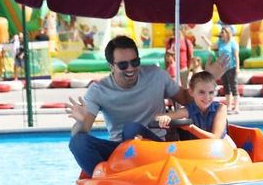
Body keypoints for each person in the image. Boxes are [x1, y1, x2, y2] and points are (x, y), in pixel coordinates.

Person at [65, 36, 188, 175]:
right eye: (123, 65)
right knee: (77, 142)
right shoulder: (98, 90)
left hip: (154, 147)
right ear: (111, 66)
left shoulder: (156, 75)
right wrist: (81, 121)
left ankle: (113, 177)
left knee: (132, 128)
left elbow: (186, 98)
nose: (130, 68)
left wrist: (209, 78)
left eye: (135, 62)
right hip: (120, 150)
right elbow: (82, 131)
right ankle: (105, 180)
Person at [161, 70, 228, 139]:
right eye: (201, 92)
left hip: (222, 147)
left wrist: (191, 128)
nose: (207, 97)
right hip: (198, 147)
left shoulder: (221, 108)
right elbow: (159, 117)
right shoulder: (189, 110)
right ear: (191, 92)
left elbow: (215, 138)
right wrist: (164, 118)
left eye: (211, 92)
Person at [213, 25, 241, 114]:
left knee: (233, 87)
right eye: (221, 32)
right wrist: (204, 39)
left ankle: (236, 107)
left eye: (222, 32)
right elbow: (212, 46)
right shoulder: (220, 43)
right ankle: (229, 105)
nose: (221, 34)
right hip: (223, 69)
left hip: (231, 68)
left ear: (227, 33)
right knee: (226, 88)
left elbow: (236, 56)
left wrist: (237, 67)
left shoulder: (232, 43)